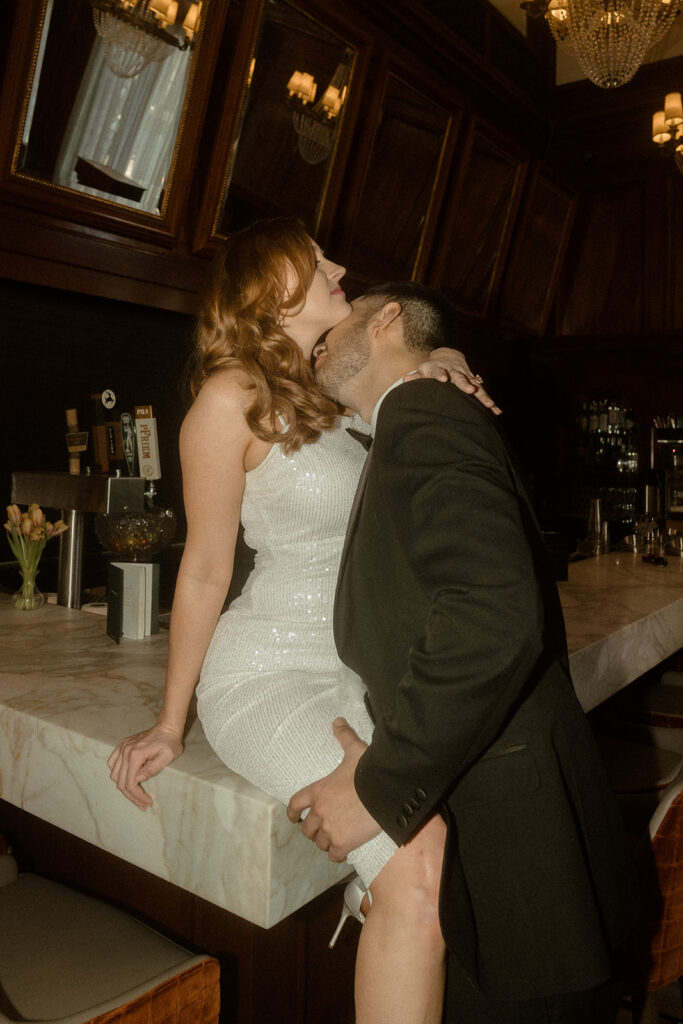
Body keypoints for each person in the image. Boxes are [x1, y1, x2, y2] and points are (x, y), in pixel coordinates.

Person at [107, 218, 499, 1024]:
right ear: (267, 292)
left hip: (362, 671)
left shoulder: (341, 392)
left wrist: (443, 358)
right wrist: (170, 722)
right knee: (417, 850)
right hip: (269, 675)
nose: (341, 264)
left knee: (450, 840)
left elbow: (416, 370)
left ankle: (373, 907)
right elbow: (207, 570)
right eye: (316, 261)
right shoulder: (228, 399)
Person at [288, 282, 637, 1023]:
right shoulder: (416, 409)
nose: (322, 334)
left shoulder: (420, 409)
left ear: (387, 322)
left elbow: (492, 611)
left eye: (343, 314)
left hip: (513, 846)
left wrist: (381, 785)